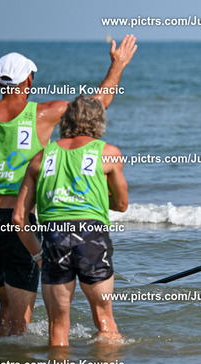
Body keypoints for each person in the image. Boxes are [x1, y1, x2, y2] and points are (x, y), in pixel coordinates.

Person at [0, 32, 137, 336]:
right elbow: (95, 106)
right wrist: (118, 65)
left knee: (5, 308)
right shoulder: (41, 113)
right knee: (20, 320)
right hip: (18, 224)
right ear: (28, 80)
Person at [13, 96, 128, 347]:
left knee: (57, 326)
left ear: (64, 121)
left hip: (55, 238)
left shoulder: (39, 158)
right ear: (98, 122)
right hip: (91, 238)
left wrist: (38, 255)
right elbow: (121, 204)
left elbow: (19, 218)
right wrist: (91, 198)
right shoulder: (109, 153)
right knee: (105, 320)